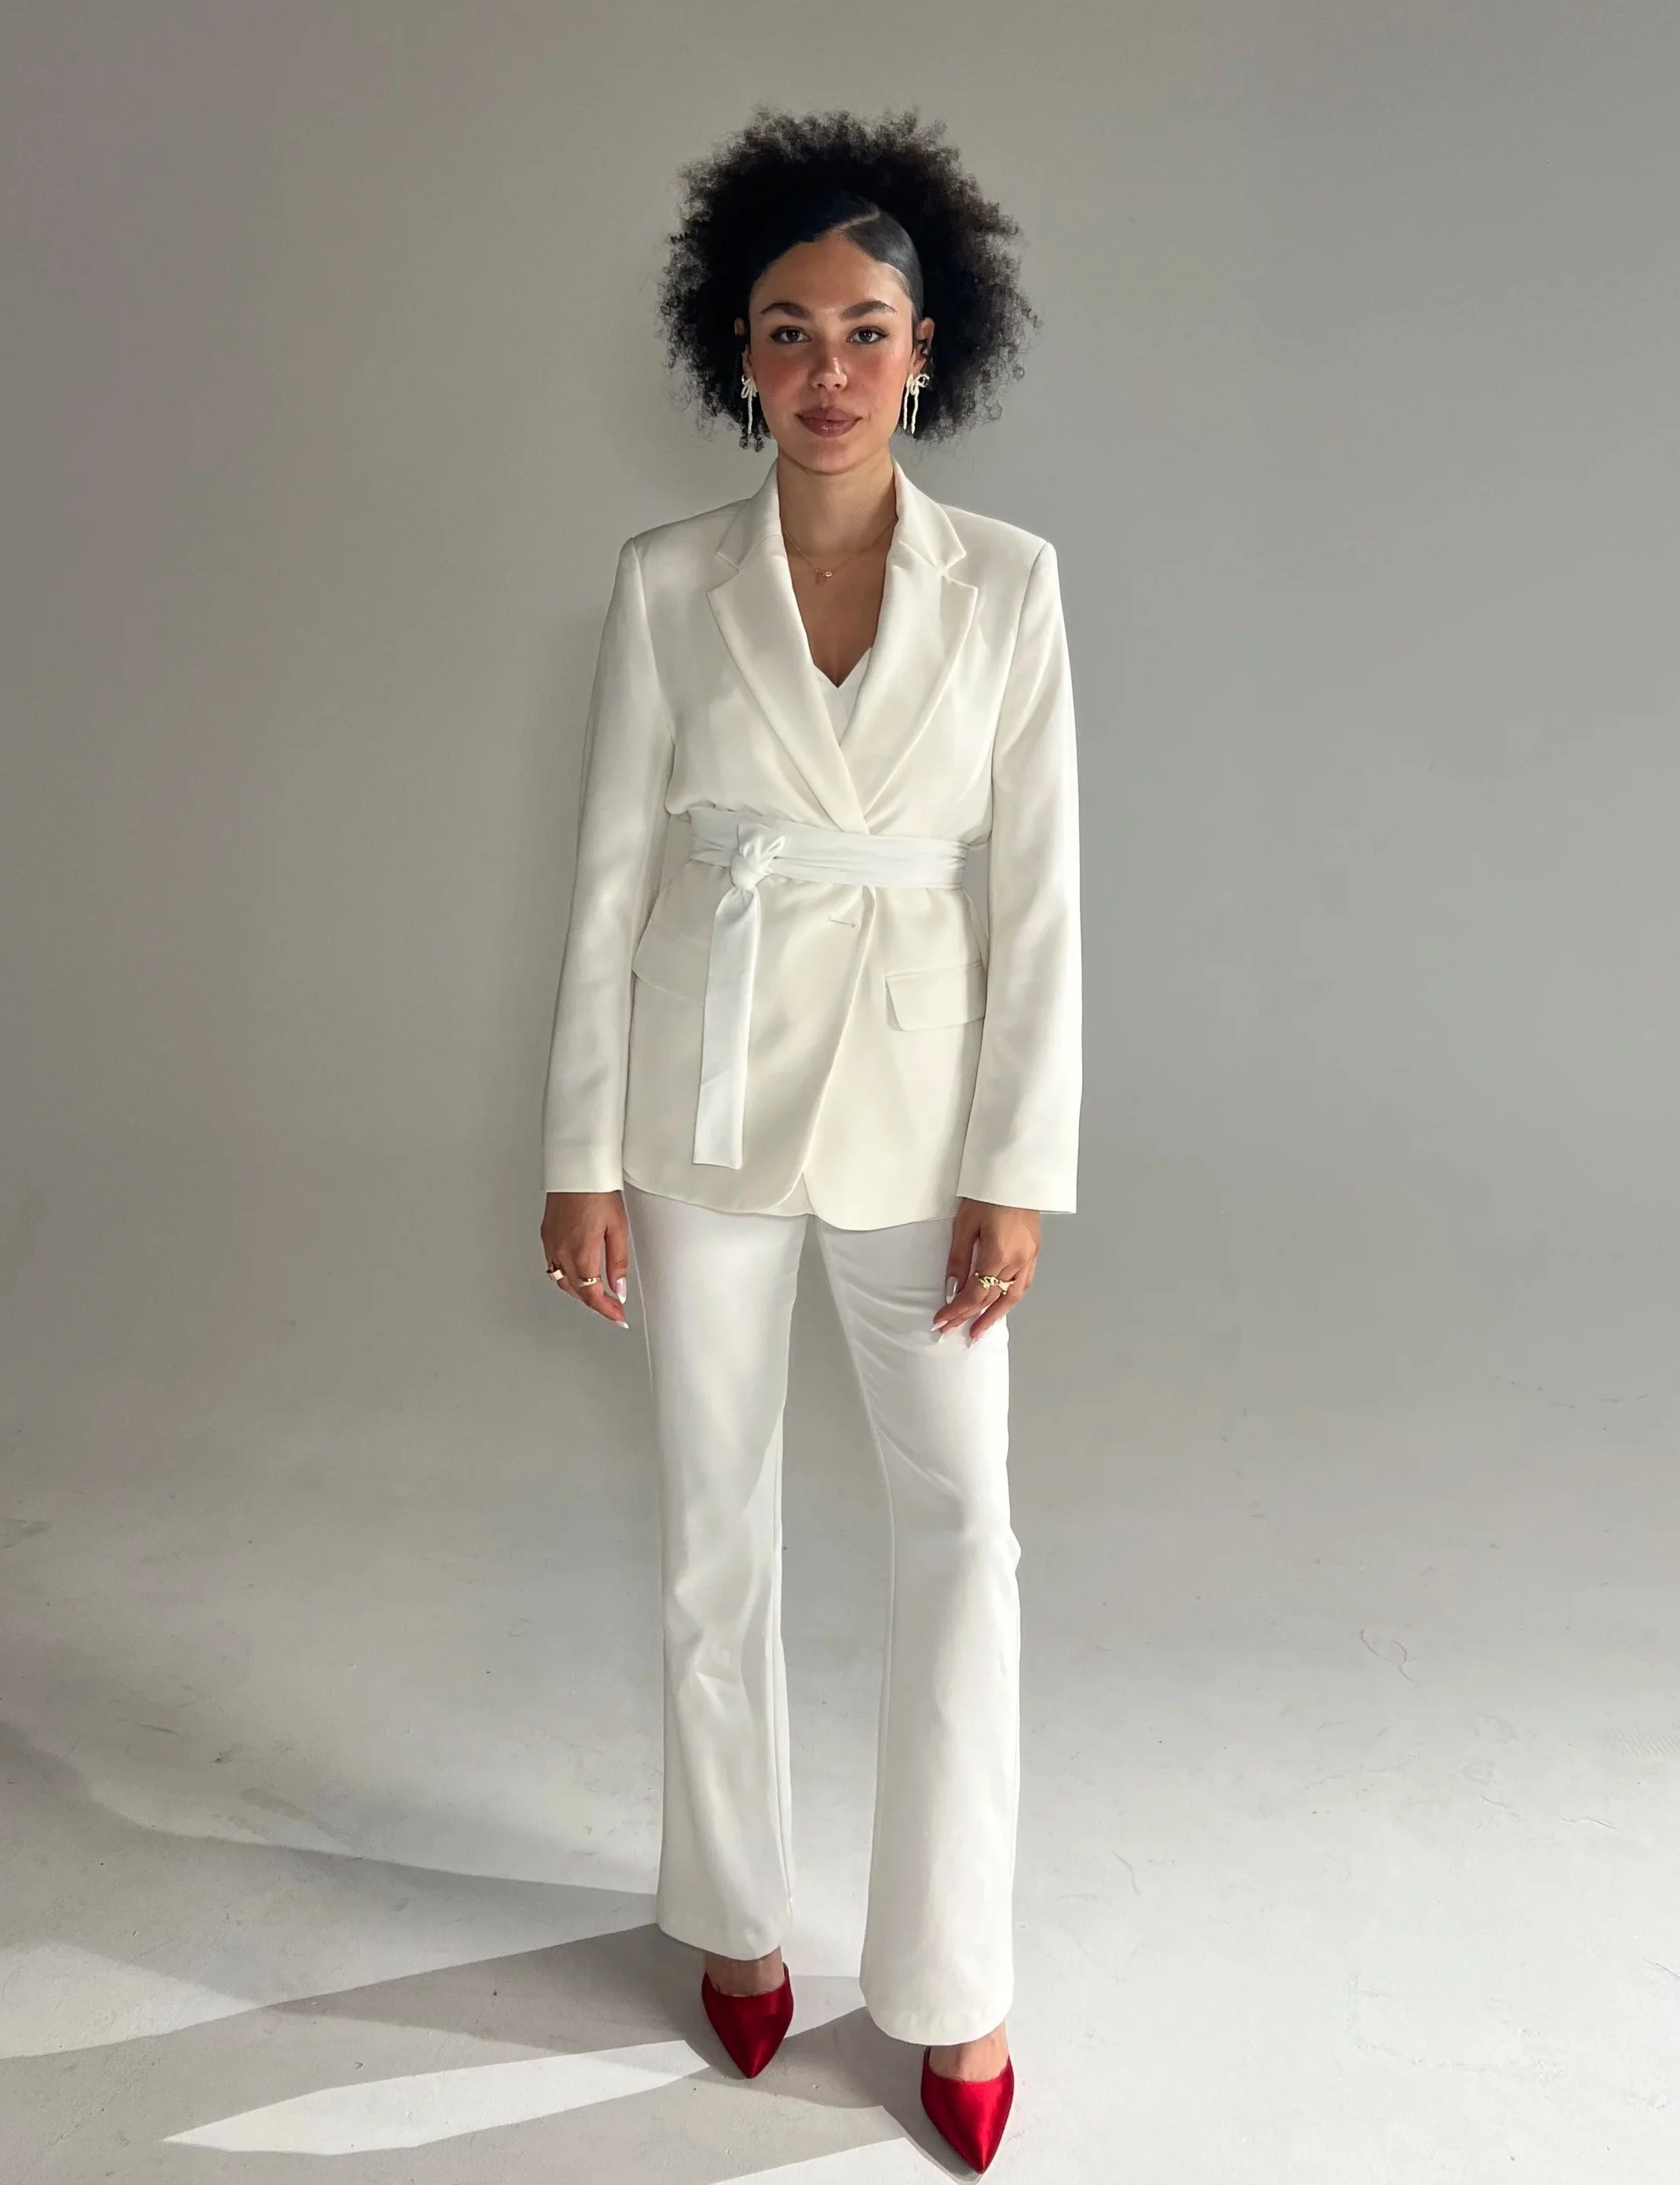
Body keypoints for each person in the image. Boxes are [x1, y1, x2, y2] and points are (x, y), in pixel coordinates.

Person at [539, 106, 1080, 2173]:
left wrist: (1016, 1163)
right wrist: (580, 1154)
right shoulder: (667, 581)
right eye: (787, 331)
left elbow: (1039, 895)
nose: (827, 369)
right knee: (716, 1526)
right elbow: (609, 878)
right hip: (702, 1099)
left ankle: (951, 1977)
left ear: (929, 348)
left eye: (865, 329)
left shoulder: (1010, 584)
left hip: (926, 1117)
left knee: (964, 1536)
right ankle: (735, 1915)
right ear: (737, 354)